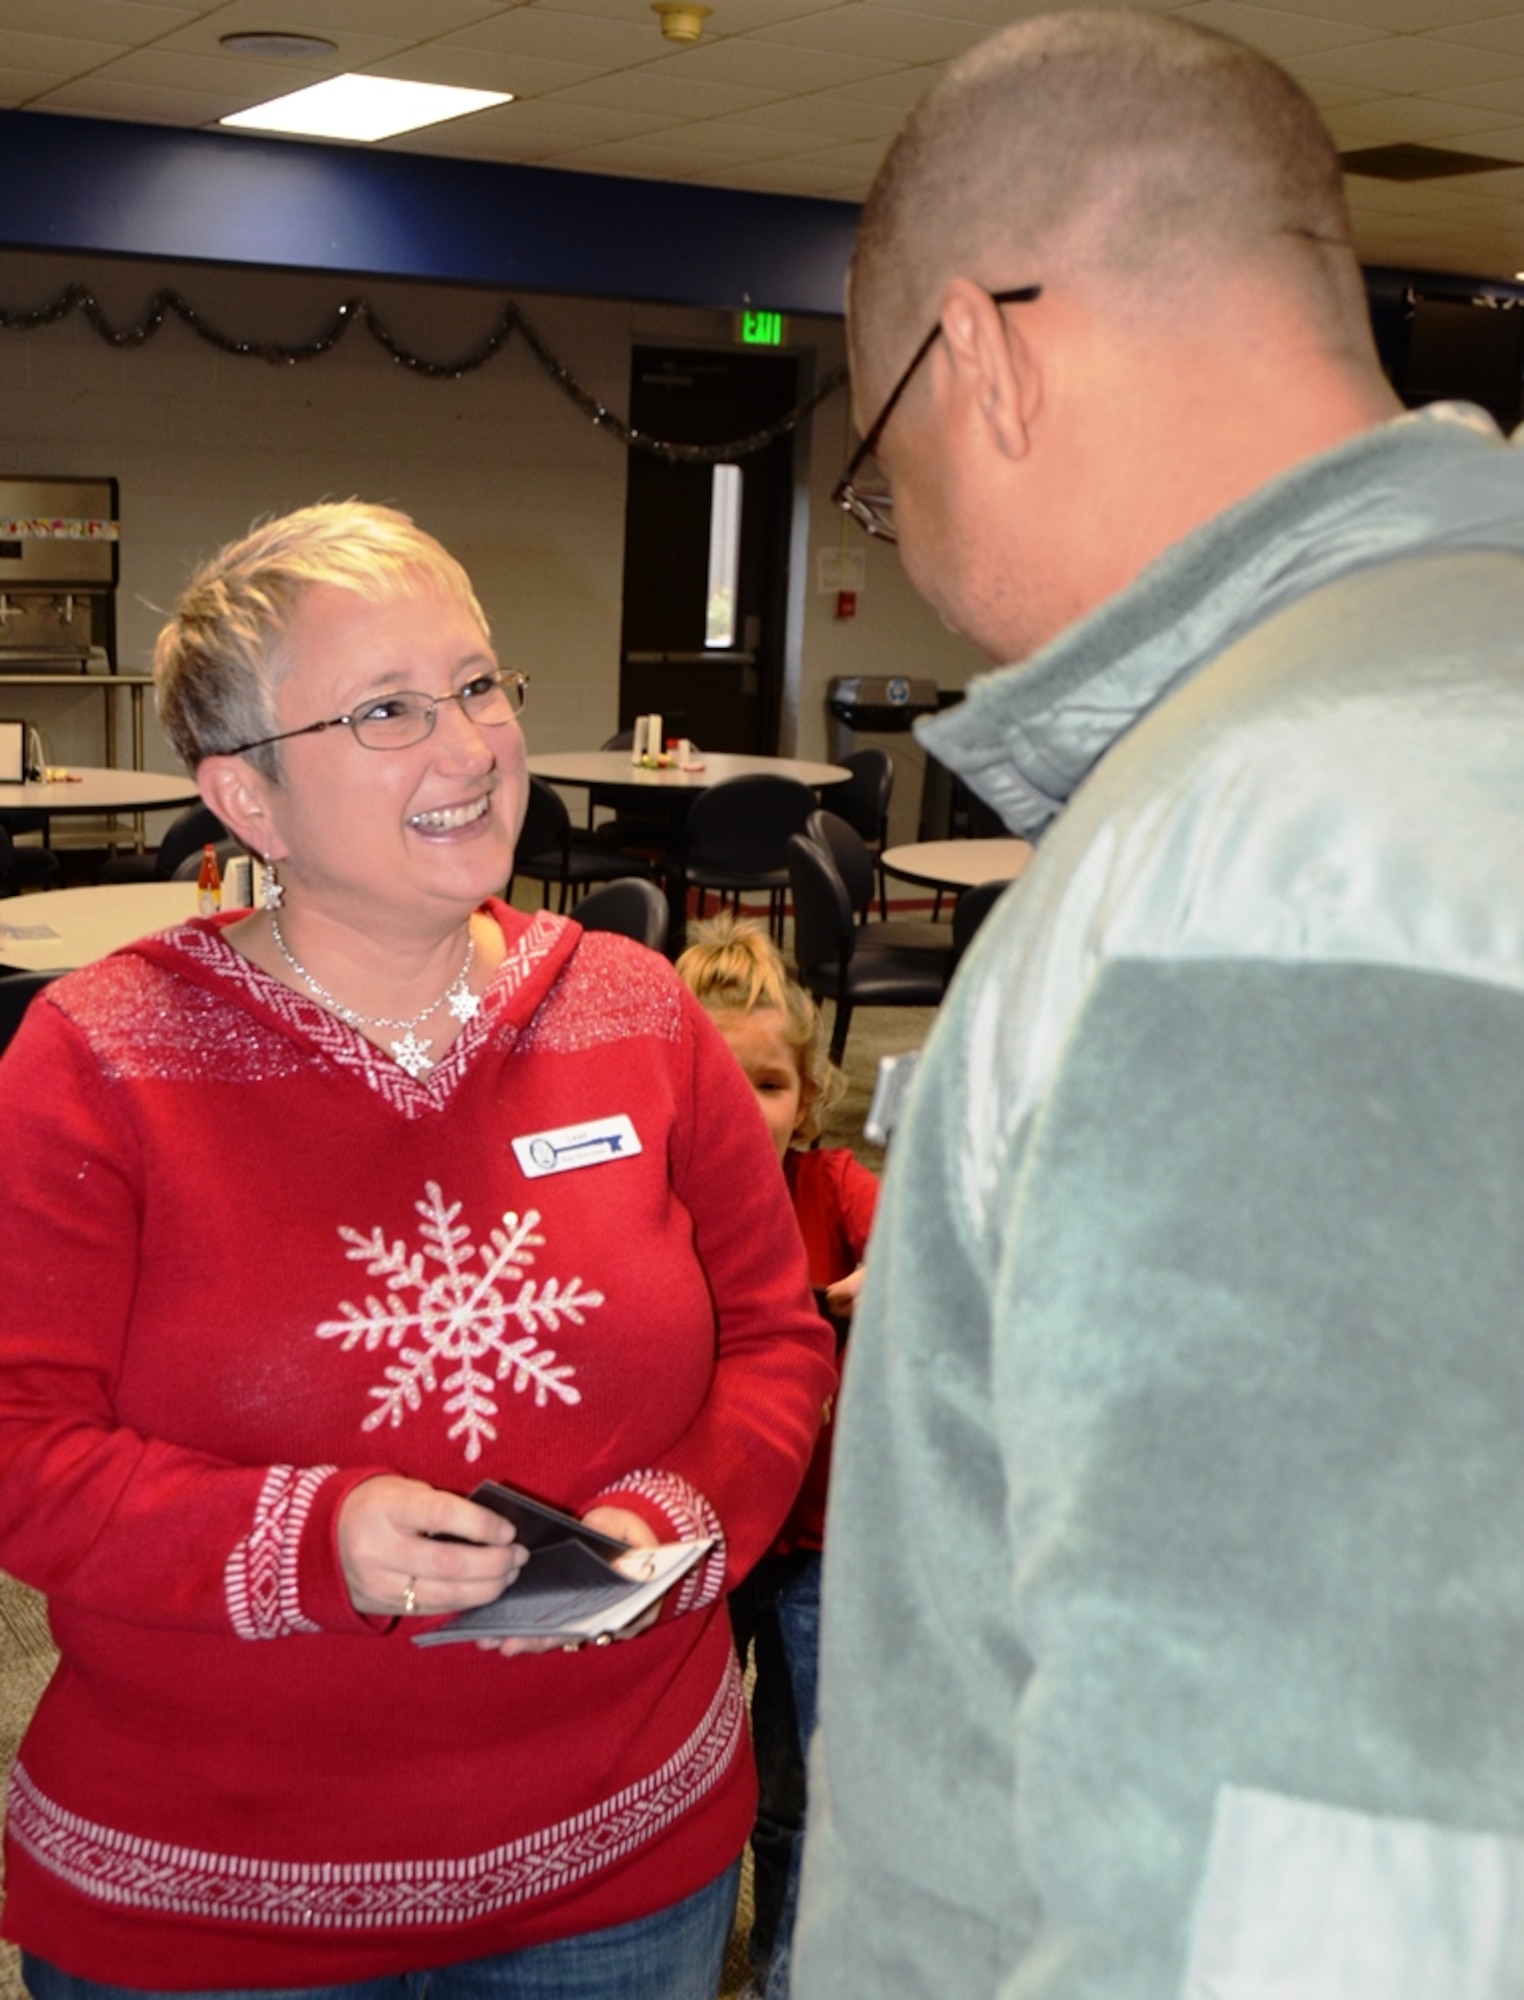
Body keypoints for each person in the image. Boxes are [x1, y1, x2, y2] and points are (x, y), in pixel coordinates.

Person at [795, 12, 1524, 1999]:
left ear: (986, 361)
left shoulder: (1275, 846)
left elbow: (1302, 1886)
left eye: (880, 470)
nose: (914, 554)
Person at [0, 501, 836, 1999]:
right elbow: (17, 1447)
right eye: (387, 710)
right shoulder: (99, 1058)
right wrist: (315, 1543)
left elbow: (779, 1341)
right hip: (217, 1903)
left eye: (478, 684)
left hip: (620, 1865)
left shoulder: (640, 1017)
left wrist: (678, 1513)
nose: (469, 744)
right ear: (245, 798)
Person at [674, 915, 878, 2000]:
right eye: (716, 1077)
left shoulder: (835, 1187)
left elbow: (915, 1238)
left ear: (808, 1097)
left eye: (769, 1082)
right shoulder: (648, 1207)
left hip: (816, 1546)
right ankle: (689, 1960)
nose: (747, 1110)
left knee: (802, 1779)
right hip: (699, 1538)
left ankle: (791, 1968)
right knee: (690, 1772)